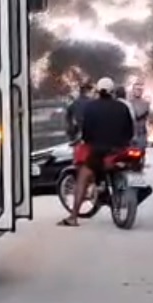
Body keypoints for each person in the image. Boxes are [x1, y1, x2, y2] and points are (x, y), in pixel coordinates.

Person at [59, 77, 135, 227]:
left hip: (99, 151)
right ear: (113, 91)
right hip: (120, 150)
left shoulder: (90, 107)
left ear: (98, 91)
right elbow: (130, 131)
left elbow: (86, 134)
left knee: (83, 176)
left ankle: (73, 217)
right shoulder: (123, 107)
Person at [127, 82, 151, 149]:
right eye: (136, 89)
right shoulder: (128, 102)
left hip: (141, 134)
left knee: (141, 154)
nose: (138, 91)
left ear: (142, 91)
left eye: (140, 89)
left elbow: (138, 114)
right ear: (133, 90)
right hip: (130, 134)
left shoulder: (145, 103)